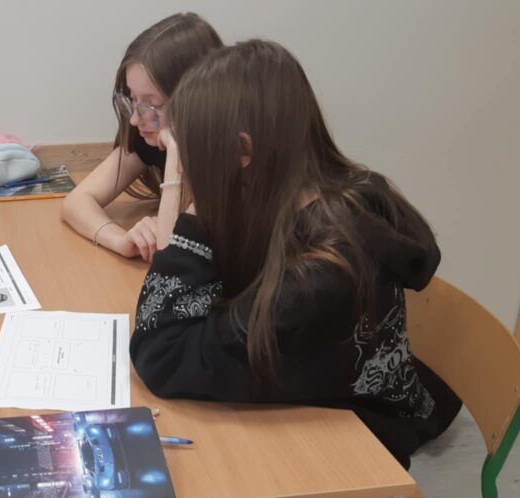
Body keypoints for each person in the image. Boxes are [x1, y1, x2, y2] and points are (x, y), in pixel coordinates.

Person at [129, 40, 460, 468]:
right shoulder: (346, 196)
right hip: (375, 401)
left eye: (194, 151)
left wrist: (197, 212)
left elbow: (161, 354)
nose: (189, 164)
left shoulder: (316, 275)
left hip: (355, 441)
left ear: (242, 152)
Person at [61, 13, 223, 262]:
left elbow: (173, 257)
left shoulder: (229, 156)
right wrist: (120, 240)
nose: (135, 120)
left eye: (151, 104)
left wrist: (176, 152)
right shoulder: (150, 138)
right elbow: (76, 202)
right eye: (133, 99)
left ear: (197, 99)